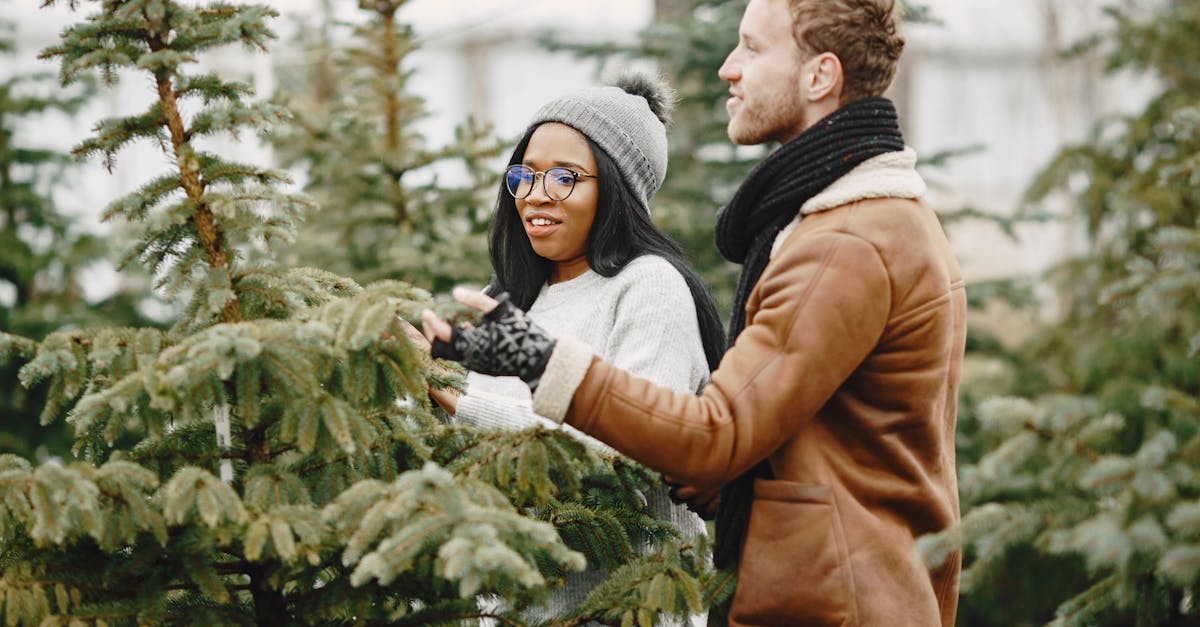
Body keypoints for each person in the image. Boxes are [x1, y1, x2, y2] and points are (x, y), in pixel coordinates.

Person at [421, 0, 966, 625]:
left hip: (840, 601)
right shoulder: (838, 226)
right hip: (834, 588)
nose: (728, 68)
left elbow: (713, 435)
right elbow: (803, 435)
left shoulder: (846, 245)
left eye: (753, 49)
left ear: (820, 77)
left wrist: (532, 363)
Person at [412, 74, 725, 624]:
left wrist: (456, 398)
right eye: (524, 176)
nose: (535, 196)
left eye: (564, 178)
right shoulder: (507, 299)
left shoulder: (650, 287)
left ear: (617, 188)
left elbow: (625, 457)